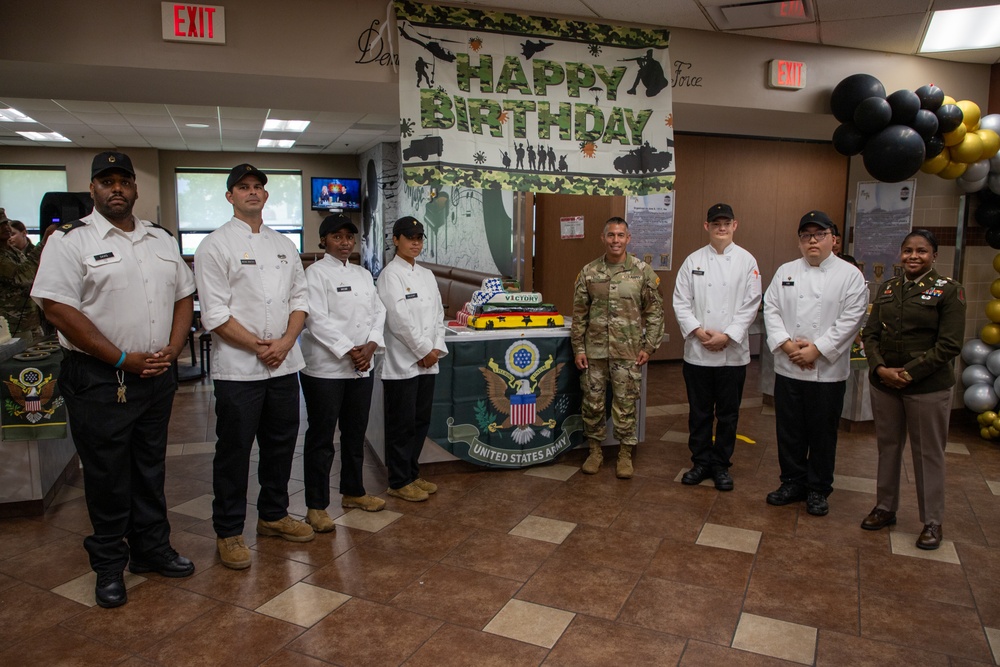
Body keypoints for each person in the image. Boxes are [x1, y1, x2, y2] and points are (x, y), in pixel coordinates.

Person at [31, 151, 196, 608]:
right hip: (100, 378)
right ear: (93, 190)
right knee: (106, 474)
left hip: (155, 375)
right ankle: (108, 565)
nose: (117, 188)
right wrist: (122, 357)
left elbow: (184, 295)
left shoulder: (159, 240)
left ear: (136, 188)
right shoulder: (70, 241)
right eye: (107, 182)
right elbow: (57, 308)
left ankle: (151, 549)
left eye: (124, 180)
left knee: (149, 467)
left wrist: (176, 346)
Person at [194, 163, 314, 570]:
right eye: (243, 187)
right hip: (239, 369)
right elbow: (214, 313)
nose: (252, 192)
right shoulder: (214, 246)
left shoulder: (284, 245)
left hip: (284, 365)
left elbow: (301, 300)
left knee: (281, 445)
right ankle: (229, 531)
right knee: (234, 450)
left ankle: (273, 515)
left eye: (258, 187)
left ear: (266, 195)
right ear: (230, 196)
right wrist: (260, 347)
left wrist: (284, 343)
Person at [860, 230, 965, 550]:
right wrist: (879, 368)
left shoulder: (949, 291)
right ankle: (885, 507)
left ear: (934, 255)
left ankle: (932, 521)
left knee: (927, 454)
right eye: (907, 251)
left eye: (921, 251)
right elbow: (871, 333)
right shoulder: (889, 287)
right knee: (888, 447)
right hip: (885, 384)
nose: (913, 256)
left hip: (927, 388)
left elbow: (949, 344)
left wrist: (908, 373)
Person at [762, 211, 867, 516]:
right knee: (789, 430)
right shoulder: (785, 271)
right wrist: (787, 344)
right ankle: (792, 481)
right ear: (799, 241)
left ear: (833, 238)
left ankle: (819, 489)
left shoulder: (850, 275)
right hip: (789, 365)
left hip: (827, 373)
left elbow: (851, 319)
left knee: (822, 433)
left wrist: (817, 350)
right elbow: (771, 309)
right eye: (806, 235)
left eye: (819, 235)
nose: (812, 241)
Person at [300, 214, 387, 530]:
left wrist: (372, 345)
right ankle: (316, 505)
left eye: (350, 237)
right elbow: (315, 319)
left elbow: (379, 311)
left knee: (355, 433)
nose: (345, 242)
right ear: (324, 240)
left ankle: (353, 491)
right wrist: (350, 349)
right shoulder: (315, 274)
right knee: (322, 438)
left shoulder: (364, 274)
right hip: (325, 369)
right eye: (337, 237)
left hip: (363, 366)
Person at [673, 203, 762, 491]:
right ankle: (700, 462)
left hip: (732, 354)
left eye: (726, 223)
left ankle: (721, 465)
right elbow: (680, 302)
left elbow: (751, 304)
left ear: (735, 225)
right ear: (707, 227)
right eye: (715, 224)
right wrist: (699, 332)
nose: (721, 228)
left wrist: (729, 335)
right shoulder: (693, 261)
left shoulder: (748, 261)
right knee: (699, 412)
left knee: (728, 413)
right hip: (698, 353)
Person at [572, 216, 665, 479]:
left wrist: (649, 345)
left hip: (628, 352)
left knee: (625, 405)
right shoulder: (589, 272)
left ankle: (625, 454)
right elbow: (579, 314)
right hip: (595, 352)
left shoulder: (642, 272)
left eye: (620, 235)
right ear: (603, 238)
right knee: (592, 404)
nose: (616, 240)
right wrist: (579, 348)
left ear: (628, 239)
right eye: (611, 235)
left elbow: (655, 312)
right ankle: (595, 451)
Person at [376, 216, 446, 502]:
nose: (415, 243)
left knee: (420, 421)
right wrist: (423, 351)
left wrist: (435, 349)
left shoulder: (427, 275)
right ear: (396, 240)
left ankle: (412, 473)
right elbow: (398, 320)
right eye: (409, 237)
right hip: (403, 363)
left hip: (428, 361)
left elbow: (439, 315)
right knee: (401, 425)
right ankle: (398, 480)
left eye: (419, 238)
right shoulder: (390, 275)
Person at [0, 217, 44, 341]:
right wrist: (44, 241)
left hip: (31, 320)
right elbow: (23, 276)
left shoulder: (13, 251)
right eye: (1, 225)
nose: (6, 228)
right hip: (12, 326)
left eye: (6, 223)